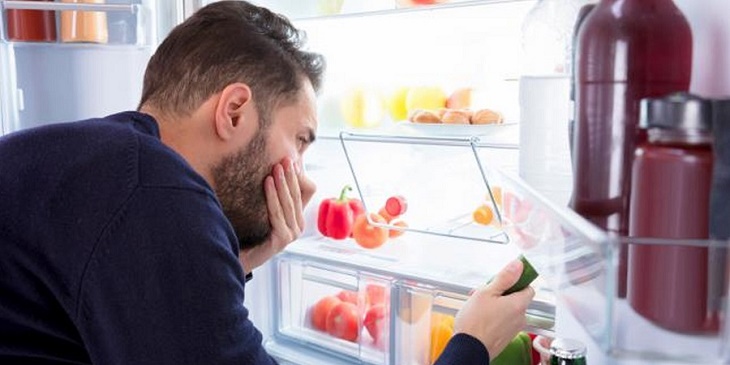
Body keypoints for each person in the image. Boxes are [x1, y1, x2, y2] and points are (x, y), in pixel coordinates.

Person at [0, 1, 535, 364]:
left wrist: (242, 259)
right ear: (234, 111)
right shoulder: (156, 194)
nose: (300, 176)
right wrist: (471, 344)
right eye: (300, 140)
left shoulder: (108, 162)